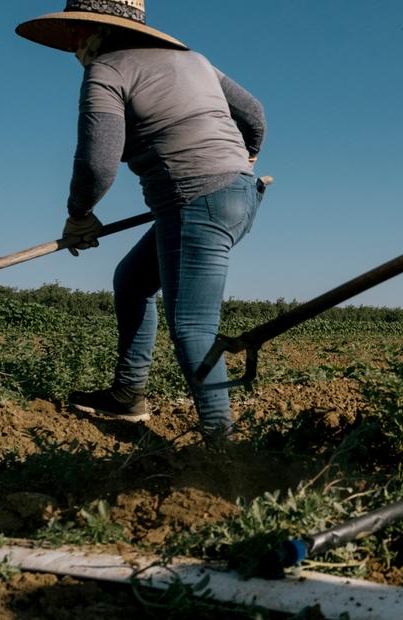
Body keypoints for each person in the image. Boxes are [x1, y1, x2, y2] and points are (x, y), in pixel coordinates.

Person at [16, 0, 267, 444]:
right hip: (239, 196)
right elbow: (254, 114)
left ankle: (224, 449)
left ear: (85, 32)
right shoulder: (196, 62)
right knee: (132, 282)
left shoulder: (106, 71)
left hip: (197, 202)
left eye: (74, 33)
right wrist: (242, 160)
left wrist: (78, 215)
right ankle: (128, 395)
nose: (73, 45)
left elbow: (97, 163)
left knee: (192, 326)